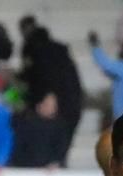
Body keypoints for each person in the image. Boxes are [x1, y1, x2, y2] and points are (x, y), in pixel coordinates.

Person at [18, 25, 85, 157]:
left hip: (52, 114)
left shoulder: (40, 58)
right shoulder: (64, 58)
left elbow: (34, 86)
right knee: (60, 147)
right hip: (71, 108)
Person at [10, 93, 71, 168]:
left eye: (53, 106)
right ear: (38, 106)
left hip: (50, 170)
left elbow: (61, 149)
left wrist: (55, 162)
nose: (50, 108)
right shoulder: (26, 124)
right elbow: (18, 148)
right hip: (25, 168)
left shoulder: (60, 127)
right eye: (47, 105)